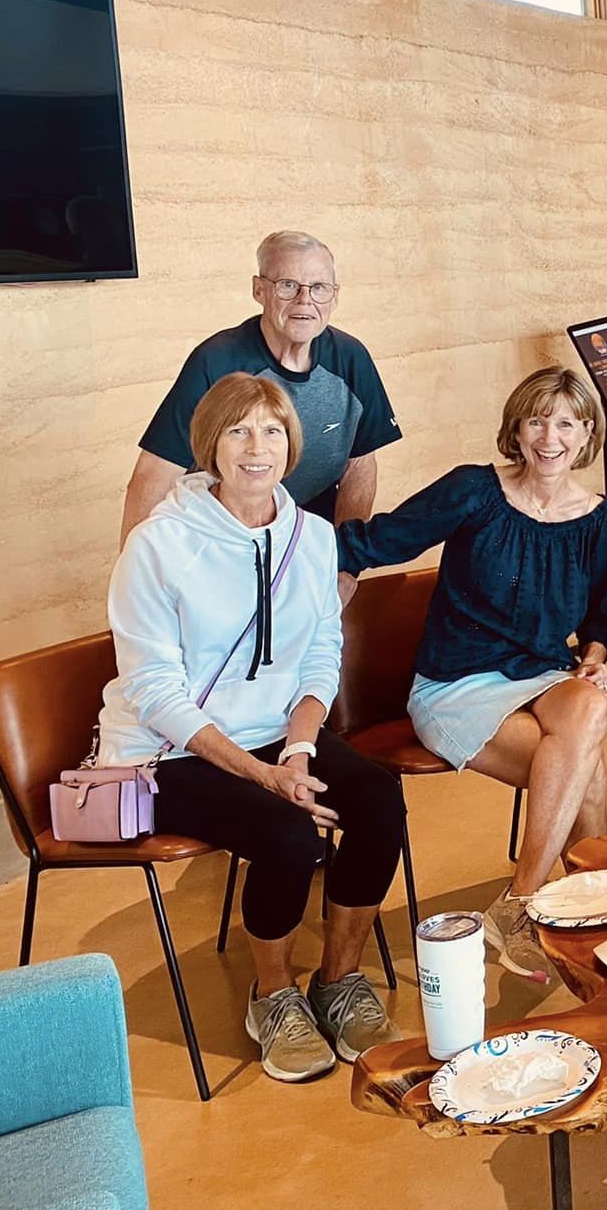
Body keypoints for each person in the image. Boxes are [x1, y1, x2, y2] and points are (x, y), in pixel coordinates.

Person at [98, 374, 402, 1083]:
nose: (256, 447)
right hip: (170, 751)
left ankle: (338, 980)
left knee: (378, 798)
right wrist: (264, 774)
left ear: (291, 445)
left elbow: (321, 651)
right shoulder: (157, 545)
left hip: (277, 734)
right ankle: (273, 995)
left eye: (270, 430)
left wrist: (298, 747)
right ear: (210, 445)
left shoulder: (312, 537)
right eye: (238, 431)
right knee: (288, 833)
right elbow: (154, 690)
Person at [336, 367, 607, 985]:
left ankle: (524, 903)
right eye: (537, 420)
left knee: (589, 707)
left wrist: (594, 660)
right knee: (585, 767)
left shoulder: (600, 520)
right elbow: (382, 541)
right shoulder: (474, 490)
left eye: (566, 423)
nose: (550, 437)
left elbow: (602, 618)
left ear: (587, 435)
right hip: (454, 684)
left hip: (541, 677)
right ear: (516, 429)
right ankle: (593, 919)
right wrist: (273, 544)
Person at [123, 231, 400, 546]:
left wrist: (344, 562)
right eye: (288, 285)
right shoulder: (215, 361)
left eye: (319, 287)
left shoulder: (352, 358)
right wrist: (135, 565)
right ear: (259, 290)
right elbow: (153, 475)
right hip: (218, 530)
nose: (305, 300)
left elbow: (359, 466)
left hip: (305, 529)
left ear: (335, 297)